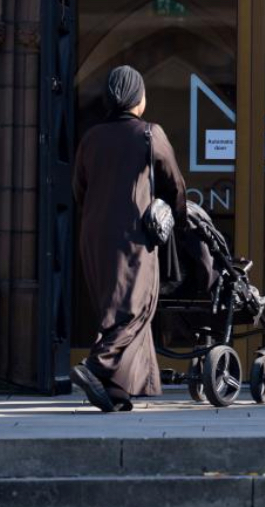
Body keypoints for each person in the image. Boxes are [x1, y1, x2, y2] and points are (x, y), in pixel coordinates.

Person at [71, 66, 186, 412]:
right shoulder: (150, 134)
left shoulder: (91, 138)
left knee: (113, 310)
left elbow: (79, 189)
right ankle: (96, 365)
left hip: (93, 234)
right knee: (137, 309)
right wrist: (173, 216)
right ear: (138, 98)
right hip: (134, 236)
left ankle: (117, 393)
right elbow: (175, 186)